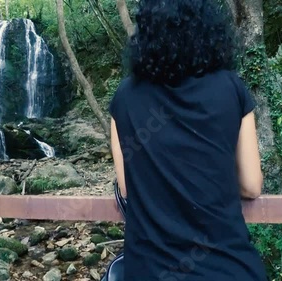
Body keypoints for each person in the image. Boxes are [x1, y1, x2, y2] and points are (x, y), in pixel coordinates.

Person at [108, 0, 268, 280]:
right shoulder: (231, 87)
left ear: (146, 31)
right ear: (208, 26)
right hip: (229, 268)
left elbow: (127, 187)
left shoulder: (124, 97)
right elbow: (251, 186)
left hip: (149, 270)